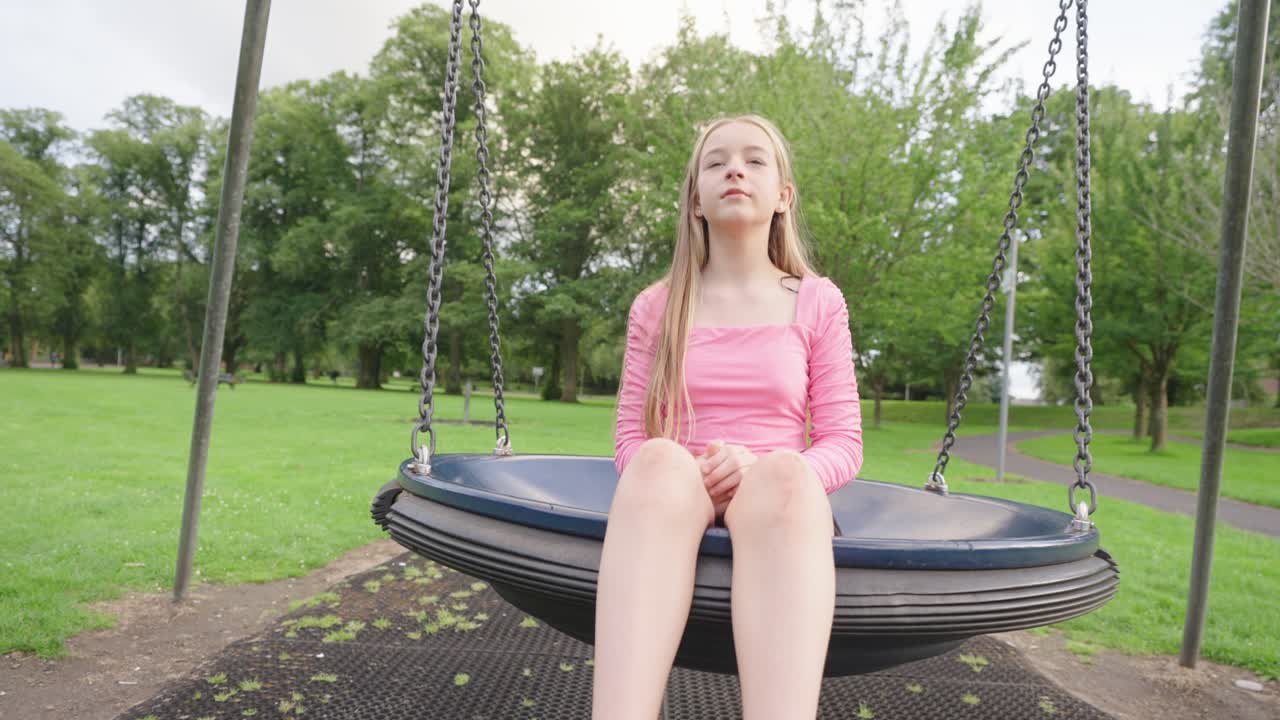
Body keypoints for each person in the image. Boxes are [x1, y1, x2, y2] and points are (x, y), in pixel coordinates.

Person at [596, 114, 863, 719]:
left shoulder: (816, 300)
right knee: (656, 458)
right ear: (696, 198)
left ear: (782, 197)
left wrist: (763, 466)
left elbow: (844, 442)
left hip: (777, 502)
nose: (734, 169)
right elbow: (628, 439)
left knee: (787, 477)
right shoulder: (658, 306)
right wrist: (696, 471)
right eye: (715, 162)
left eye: (754, 160)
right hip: (675, 494)